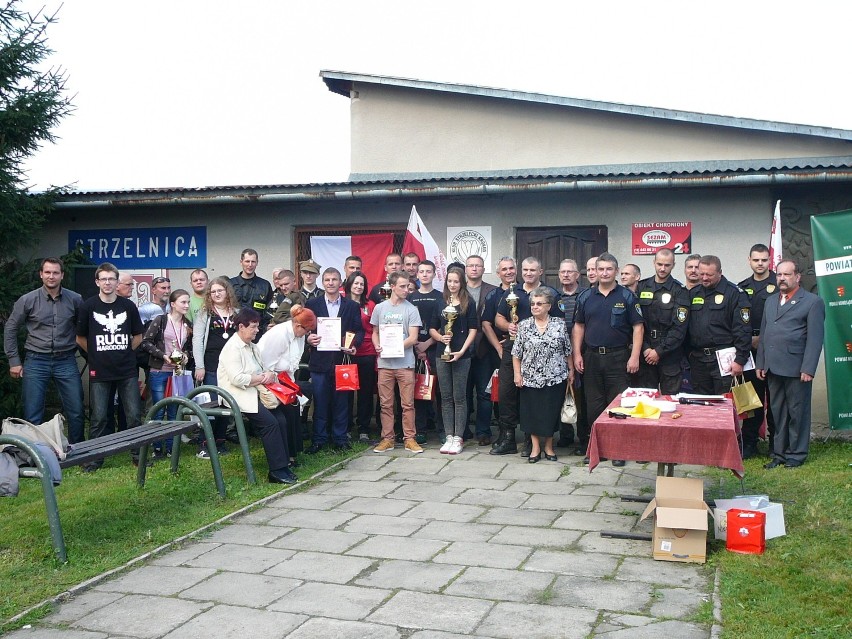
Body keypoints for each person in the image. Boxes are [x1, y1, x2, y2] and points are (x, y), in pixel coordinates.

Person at [572, 253, 644, 467]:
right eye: (600, 269)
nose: (604, 273)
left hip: (618, 358)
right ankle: (597, 450)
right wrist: (577, 353)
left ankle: (618, 450)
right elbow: (579, 326)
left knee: (619, 406)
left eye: (608, 269)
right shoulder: (585, 296)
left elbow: (638, 327)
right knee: (593, 407)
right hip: (592, 357)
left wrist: (634, 356)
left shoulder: (627, 296)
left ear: (615, 271)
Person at [4, 257, 85, 444]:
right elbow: (10, 329)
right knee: (32, 411)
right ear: (41, 275)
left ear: (62, 275)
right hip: (35, 360)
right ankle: (37, 453)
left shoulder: (75, 299)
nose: (51, 276)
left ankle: (79, 450)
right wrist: (14, 361)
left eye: (56, 272)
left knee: (76, 409)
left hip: (66, 360)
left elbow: (84, 329)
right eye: (47, 272)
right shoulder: (27, 300)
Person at [216, 308, 298, 484]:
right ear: (241, 327)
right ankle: (276, 471)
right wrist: (262, 377)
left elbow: (262, 369)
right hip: (237, 395)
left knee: (281, 420)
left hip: (255, 392)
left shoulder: (252, 346)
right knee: (270, 424)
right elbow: (237, 379)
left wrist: (269, 374)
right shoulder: (232, 348)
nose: (257, 330)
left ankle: (284, 465)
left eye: (257, 326)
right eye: (253, 327)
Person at [75, 262, 144, 471]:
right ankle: (94, 459)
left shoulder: (128, 306)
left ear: (116, 282)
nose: (107, 282)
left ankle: (138, 456)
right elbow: (80, 337)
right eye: (103, 279)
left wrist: (123, 352)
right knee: (98, 417)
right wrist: (95, 356)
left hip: (126, 371)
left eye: (111, 279)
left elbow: (138, 336)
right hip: (100, 371)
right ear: (97, 281)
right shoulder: (88, 306)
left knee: (133, 416)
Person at [757, 260, 825, 469]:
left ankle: (796, 454)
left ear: (797, 277)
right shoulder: (770, 301)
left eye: (787, 275)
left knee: (797, 412)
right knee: (778, 412)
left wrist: (808, 368)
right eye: (779, 275)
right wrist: (761, 362)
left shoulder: (812, 302)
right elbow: (764, 334)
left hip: (797, 368)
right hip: (773, 366)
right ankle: (779, 454)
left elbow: (815, 339)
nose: (782, 279)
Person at [492, 256, 561, 456]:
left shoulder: (550, 294)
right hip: (513, 349)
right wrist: (508, 326)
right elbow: (498, 318)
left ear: (540, 271)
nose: (528, 273)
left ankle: (533, 441)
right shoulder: (512, 292)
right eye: (525, 270)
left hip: (541, 355)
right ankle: (508, 437)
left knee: (534, 398)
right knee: (507, 394)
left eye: (533, 270)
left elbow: (558, 321)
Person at [304, 267, 363, 452]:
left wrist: (354, 345)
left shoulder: (351, 306)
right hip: (319, 361)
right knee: (320, 402)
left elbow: (359, 330)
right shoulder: (312, 304)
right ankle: (319, 439)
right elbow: (303, 327)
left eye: (334, 279)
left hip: (342, 360)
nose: (331, 283)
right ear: (323, 283)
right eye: (327, 280)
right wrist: (308, 338)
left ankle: (340, 438)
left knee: (342, 402)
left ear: (340, 282)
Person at [512, 287, 572, 463]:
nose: (535, 307)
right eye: (532, 304)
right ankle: (535, 448)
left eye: (539, 304)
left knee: (550, 414)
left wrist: (571, 371)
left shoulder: (559, 324)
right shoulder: (523, 325)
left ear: (548, 306)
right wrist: (517, 374)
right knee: (532, 414)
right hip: (530, 378)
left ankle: (549, 447)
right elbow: (516, 354)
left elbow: (567, 350)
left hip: (555, 377)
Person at [371, 271, 423, 453]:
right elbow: (375, 332)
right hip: (385, 364)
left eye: (408, 286)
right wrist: (377, 345)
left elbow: (414, 337)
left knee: (407, 404)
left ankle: (410, 438)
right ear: (391, 286)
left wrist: (396, 347)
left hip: (405, 363)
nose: (406, 289)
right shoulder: (380, 308)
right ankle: (387, 439)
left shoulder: (411, 309)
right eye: (402, 286)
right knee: (385, 404)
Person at [258, 303, 317, 465]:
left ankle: (293, 454)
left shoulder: (299, 334)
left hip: (286, 379)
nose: (307, 334)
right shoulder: (280, 334)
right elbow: (266, 365)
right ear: (298, 325)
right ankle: (286, 456)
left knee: (294, 409)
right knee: (286, 414)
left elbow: (293, 362)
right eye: (306, 330)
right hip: (270, 380)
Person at [686, 255, 751, 395]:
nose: (704, 278)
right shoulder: (693, 293)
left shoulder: (735, 293)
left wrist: (740, 359)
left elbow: (743, 329)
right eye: (701, 274)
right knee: (701, 407)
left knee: (726, 405)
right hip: (698, 360)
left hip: (725, 359)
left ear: (720, 273)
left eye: (709, 275)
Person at [430, 268, 478, 454]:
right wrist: (441, 338)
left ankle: (459, 437)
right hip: (442, 354)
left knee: (460, 397)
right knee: (445, 396)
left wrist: (462, 351)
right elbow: (433, 328)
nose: (452, 285)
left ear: (462, 283)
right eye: (449, 281)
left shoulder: (469, 302)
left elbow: (473, 329)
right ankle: (448, 435)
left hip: (461, 355)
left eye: (456, 281)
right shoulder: (439, 302)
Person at [140, 289, 193, 457]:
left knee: (174, 410)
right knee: (158, 409)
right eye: (183, 302)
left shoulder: (187, 324)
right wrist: (163, 355)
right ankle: (157, 447)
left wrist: (185, 356)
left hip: (177, 373)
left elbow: (189, 349)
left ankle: (171, 447)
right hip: (159, 371)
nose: (186, 305)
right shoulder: (161, 320)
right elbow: (146, 342)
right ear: (173, 304)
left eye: (188, 302)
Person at [738, 243, 778, 458]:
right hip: (748, 350)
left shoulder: (778, 284)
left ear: (769, 261)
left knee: (774, 399)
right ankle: (749, 443)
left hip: (771, 348)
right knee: (751, 398)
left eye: (764, 260)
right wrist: (748, 341)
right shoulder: (741, 287)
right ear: (749, 261)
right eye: (756, 260)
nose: (760, 264)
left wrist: (762, 339)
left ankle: (775, 444)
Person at [192, 277, 240, 453]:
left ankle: (220, 442)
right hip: (211, 366)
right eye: (213, 292)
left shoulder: (236, 312)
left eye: (220, 290)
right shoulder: (205, 313)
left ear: (227, 291)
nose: (216, 294)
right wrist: (199, 366)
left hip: (231, 368)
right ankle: (205, 444)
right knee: (211, 406)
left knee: (226, 405)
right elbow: (197, 340)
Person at [634, 248, 689, 394]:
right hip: (645, 353)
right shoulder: (641, 287)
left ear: (673, 265)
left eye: (667, 265)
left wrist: (658, 351)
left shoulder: (680, 290)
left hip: (670, 355)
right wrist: (645, 348)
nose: (662, 268)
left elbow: (679, 328)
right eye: (659, 264)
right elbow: (635, 322)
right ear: (654, 263)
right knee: (645, 402)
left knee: (671, 403)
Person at [408, 259, 443, 443]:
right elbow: (405, 325)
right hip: (412, 349)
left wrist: (427, 344)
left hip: (434, 348)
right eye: (421, 271)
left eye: (428, 271)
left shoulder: (440, 297)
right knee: (418, 390)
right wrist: (416, 345)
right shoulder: (410, 297)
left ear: (434, 274)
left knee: (439, 391)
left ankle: (442, 429)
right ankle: (420, 429)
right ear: (417, 274)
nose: (424, 274)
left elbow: (443, 325)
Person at [556, 258, 588, 454]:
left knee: (581, 396)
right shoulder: (554, 296)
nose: (566, 275)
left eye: (570, 272)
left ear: (577, 275)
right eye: (563, 272)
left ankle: (583, 437)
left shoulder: (584, 295)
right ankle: (565, 435)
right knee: (561, 394)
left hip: (580, 351)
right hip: (557, 352)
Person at [465, 254, 497, 445]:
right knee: (464, 393)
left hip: (485, 350)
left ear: (483, 269)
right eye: (471, 266)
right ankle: (463, 430)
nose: (474, 269)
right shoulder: (458, 291)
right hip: (462, 350)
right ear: (466, 269)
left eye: (478, 266)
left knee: (485, 394)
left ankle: (483, 431)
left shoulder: (492, 291)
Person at [342, 272, 377, 441]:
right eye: (355, 283)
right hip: (347, 353)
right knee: (347, 391)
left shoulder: (370, 305)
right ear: (349, 285)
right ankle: (346, 427)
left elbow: (374, 328)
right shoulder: (342, 303)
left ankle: (364, 428)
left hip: (367, 352)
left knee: (365, 392)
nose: (358, 286)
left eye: (361, 284)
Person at [230, 249, 274, 334]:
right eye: (247, 261)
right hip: (235, 332)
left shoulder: (265, 285)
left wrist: (266, 326)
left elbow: (269, 311)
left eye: (253, 262)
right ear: (241, 262)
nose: (250, 265)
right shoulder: (230, 284)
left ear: (257, 263)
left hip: (258, 332)